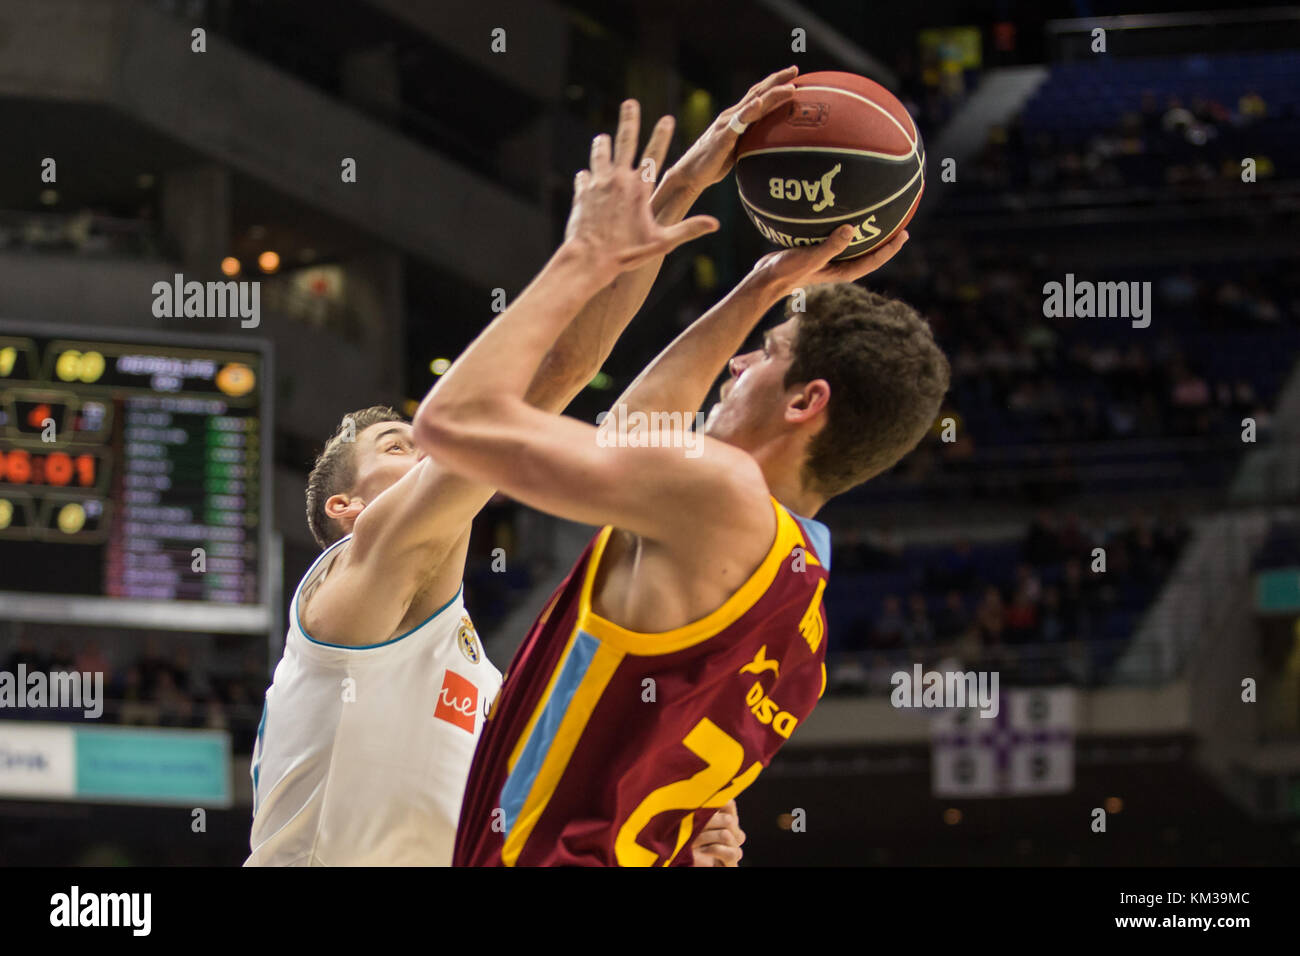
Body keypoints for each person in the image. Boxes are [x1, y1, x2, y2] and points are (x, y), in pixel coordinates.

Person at [242, 66, 806, 867]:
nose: (430, 448)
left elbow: (621, 412)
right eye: (398, 448)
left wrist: (676, 834)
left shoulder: (482, 678)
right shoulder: (350, 590)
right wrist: (643, 214)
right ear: (347, 512)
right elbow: (557, 376)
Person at [416, 94, 949, 865]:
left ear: (806, 402)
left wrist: (585, 254)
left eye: (764, 353)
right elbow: (641, 433)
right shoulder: (804, 631)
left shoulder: (722, 498)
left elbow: (452, 425)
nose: (735, 364)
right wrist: (763, 285)